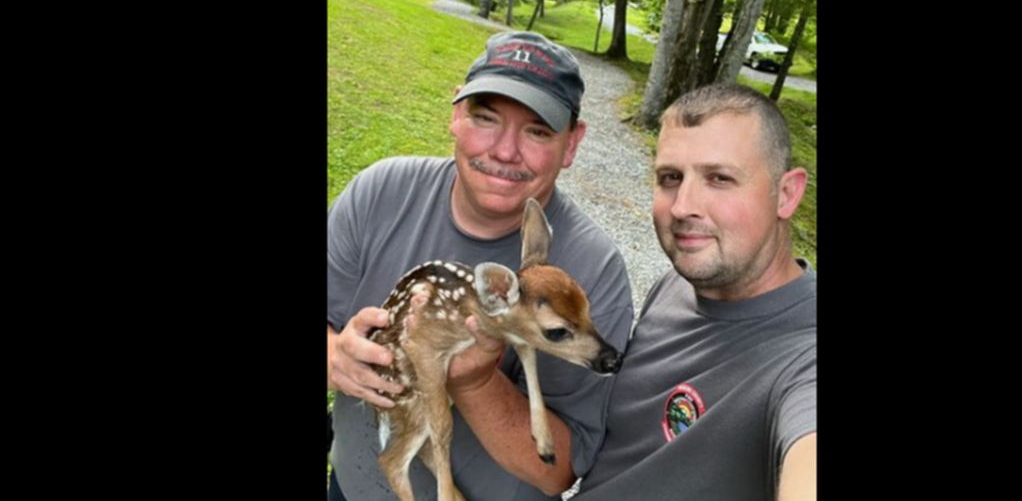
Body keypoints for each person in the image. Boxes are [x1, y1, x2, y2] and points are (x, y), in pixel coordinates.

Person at [326, 31, 635, 501]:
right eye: (485, 118)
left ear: (572, 144)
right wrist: (333, 357)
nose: (505, 151)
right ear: (455, 114)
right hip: (351, 488)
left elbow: (561, 471)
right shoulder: (379, 193)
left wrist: (475, 380)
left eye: (537, 130)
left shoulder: (593, 270)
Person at [574, 83, 817, 501]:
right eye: (670, 178)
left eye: (719, 178)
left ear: (787, 193)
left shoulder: (804, 354)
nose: (683, 206)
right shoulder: (680, 282)